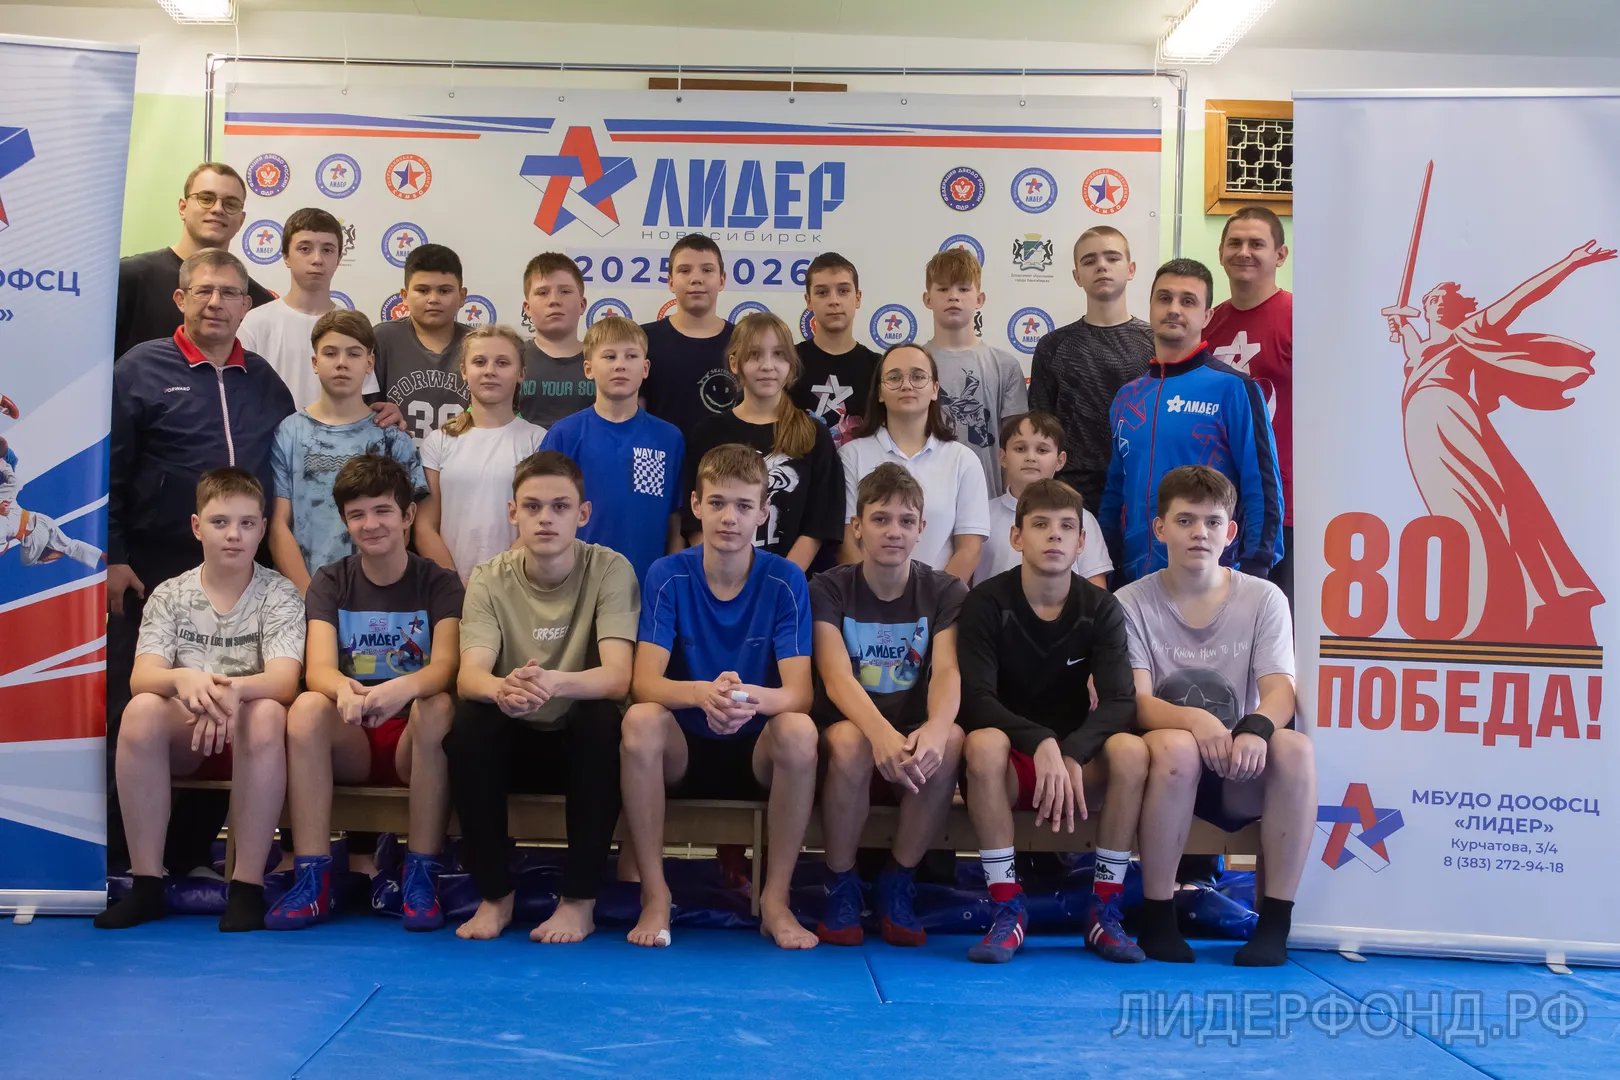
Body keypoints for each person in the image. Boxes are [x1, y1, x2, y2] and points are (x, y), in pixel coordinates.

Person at [108, 248, 297, 878]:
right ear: (180, 299)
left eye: (230, 293)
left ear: (247, 305)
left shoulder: (264, 379)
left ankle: (191, 857)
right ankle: (128, 862)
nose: (216, 303)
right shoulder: (139, 368)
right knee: (140, 708)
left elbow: (290, 466)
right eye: (204, 291)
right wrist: (115, 555)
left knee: (229, 709)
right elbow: (108, 468)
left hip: (244, 573)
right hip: (154, 567)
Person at [620, 444, 819, 950]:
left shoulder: (786, 579)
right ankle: (655, 895)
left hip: (757, 751)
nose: (730, 517)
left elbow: (799, 693)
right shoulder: (667, 574)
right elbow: (644, 683)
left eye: (743, 505)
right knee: (640, 720)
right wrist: (703, 695)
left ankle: (775, 901)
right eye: (717, 503)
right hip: (683, 748)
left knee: (800, 731)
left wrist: (741, 699)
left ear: (763, 512)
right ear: (696, 504)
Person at [1118, 466, 1315, 966]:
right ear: (1160, 528)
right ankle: (1158, 915)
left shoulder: (1264, 597)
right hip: (1168, 768)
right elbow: (1138, 702)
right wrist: (1197, 721)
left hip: (1236, 766)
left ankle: (1274, 924)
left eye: (1212, 522)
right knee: (1177, 746)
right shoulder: (1129, 602)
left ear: (1230, 533)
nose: (1199, 533)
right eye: (1185, 520)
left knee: (1294, 749)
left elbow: (1281, 691)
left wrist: (1255, 728)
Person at [94, 468, 304, 932]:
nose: (234, 535)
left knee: (268, 712)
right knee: (141, 710)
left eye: (247, 523)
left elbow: (284, 681)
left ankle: (246, 888)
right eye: (220, 522)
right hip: (188, 732)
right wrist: (184, 679)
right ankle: (147, 885)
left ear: (262, 529)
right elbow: (142, 677)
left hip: (251, 732)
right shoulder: (170, 594)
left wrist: (225, 693)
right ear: (196, 526)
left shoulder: (280, 593)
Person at [447, 450, 640, 945]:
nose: (545, 518)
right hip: (517, 742)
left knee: (602, 720)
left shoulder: (611, 569)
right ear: (513, 513)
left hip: (580, 747)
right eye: (532, 507)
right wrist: (502, 689)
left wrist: (553, 682)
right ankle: (495, 895)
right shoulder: (488, 577)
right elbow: (470, 676)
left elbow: (618, 677)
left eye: (560, 506)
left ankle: (579, 902)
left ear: (583, 513)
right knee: (470, 722)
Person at [268, 454, 463, 931]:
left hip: (411, 742)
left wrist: (400, 690)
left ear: (408, 515)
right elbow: (318, 669)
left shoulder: (440, 582)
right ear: (344, 521)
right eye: (357, 514)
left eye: (382, 511)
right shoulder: (330, 581)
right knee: (308, 706)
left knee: (438, 706)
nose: (370, 524)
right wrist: (344, 690)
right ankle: (312, 879)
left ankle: (421, 875)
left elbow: (446, 667)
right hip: (352, 734)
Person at [956, 479, 1148, 964]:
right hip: (1012, 762)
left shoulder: (1101, 607)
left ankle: (1104, 908)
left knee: (1130, 750)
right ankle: (1007, 906)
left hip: (1075, 765)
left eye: (1066, 527)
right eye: (1040, 524)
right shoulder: (985, 603)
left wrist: (1071, 752)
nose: (1054, 535)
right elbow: (974, 700)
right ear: (1016, 536)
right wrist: (1040, 742)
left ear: (1082, 542)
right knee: (982, 743)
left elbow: (1121, 702)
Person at [812, 464, 966, 947]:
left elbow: (947, 671)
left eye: (905, 520)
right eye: (880, 519)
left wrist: (936, 727)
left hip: (910, 733)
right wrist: (879, 732)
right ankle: (840, 882)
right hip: (852, 730)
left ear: (922, 529)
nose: (893, 531)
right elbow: (835, 675)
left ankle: (898, 881)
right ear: (857, 527)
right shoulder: (828, 588)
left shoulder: (946, 590)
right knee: (850, 741)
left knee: (951, 738)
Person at [1098, 258, 1283, 587]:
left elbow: (1263, 487)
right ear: (1151, 306)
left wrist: (1255, 568)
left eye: (1188, 301)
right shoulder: (1127, 398)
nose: (1174, 309)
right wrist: (1104, 567)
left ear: (1207, 316)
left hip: (1214, 578)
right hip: (1136, 581)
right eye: (1164, 298)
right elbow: (1114, 494)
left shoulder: (1234, 390)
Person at [268, 310, 425, 596]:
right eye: (330, 353)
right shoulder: (289, 432)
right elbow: (279, 524)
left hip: (376, 596)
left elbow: (403, 528)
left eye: (354, 353)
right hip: (303, 592)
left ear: (370, 363)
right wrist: (311, 595)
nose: (342, 363)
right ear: (315, 363)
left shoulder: (392, 437)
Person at [679, 311, 845, 572]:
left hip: (789, 583)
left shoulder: (814, 435)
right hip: (720, 580)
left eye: (779, 354)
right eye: (755, 355)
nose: (768, 366)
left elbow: (819, 525)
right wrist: (724, 575)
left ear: (791, 364)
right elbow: (693, 521)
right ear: (735, 363)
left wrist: (776, 582)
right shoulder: (708, 434)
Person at [540, 316, 684, 583]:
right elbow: (543, 514)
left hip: (646, 585)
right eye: (609, 356)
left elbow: (674, 521)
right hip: (576, 585)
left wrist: (669, 581)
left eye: (631, 356)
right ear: (588, 368)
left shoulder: (668, 438)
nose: (620, 365)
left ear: (645, 368)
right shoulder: (564, 435)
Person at [1028, 226, 1153, 515]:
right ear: (1077, 276)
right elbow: (1041, 428)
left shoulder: (1156, 343)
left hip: (1141, 486)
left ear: (1131, 269)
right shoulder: (1053, 346)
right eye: (1089, 260)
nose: (1101, 266)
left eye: (1112, 258)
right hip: (1070, 493)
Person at [838, 344, 988, 580]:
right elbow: (848, 543)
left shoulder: (963, 459)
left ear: (935, 389)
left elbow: (969, 549)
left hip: (940, 599)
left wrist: (936, 597)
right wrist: (872, 595)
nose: (906, 385)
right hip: (865, 598)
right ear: (880, 392)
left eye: (918, 377)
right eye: (894, 377)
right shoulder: (851, 455)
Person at [1207, 207, 1294, 603]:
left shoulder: (1300, 318)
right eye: (1235, 243)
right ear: (1221, 252)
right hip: (1214, 505)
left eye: (1256, 243)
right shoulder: (1206, 323)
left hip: (1280, 506)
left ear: (1281, 255)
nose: (1244, 252)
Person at [415, 325, 547, 582]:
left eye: (502, 363)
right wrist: (453, 585)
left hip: (515, 584)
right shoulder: (439, 441)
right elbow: (424, 527)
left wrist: (491, 583)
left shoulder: (537, 441)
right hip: (450, 588)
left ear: (521, 373)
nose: (490, 371)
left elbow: (539, 522)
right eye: (479, 362)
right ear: (464, 371)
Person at [114, 163, 275, 360]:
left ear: (241, 220)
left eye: (231, 204)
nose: (218, 209)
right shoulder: (128, 279)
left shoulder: (259, 303)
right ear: (183, 208)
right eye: (206, 199)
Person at [239, 207, 372, 409]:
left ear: (338, 259)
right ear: (286, 256)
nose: (317, 259)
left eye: (327, 250)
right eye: (305, 249)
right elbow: (240, 394)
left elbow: (367, 401)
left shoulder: (353, 327)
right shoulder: (256, 323)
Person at [920, 248, 1028, 494]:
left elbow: (1016, 446)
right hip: (925, 500)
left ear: (980, 299)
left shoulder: (1004, 365)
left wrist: (1010, 507)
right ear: (927, 299)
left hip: (991, 499)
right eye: (943, 289)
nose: (953, 297)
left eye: (963, 289)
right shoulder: (913, 365)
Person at [973, 411, 1110, 587]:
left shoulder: (1081, 518)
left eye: (1042, 450)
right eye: (1020, 449)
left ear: (1060, 460)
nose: (1030, 457)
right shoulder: (981, 515)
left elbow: (1096, 589)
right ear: (1003, 457)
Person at [373, 243, 472, 445]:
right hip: (396, 461)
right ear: (404, 296)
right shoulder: (383, 339)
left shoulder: (478, 344)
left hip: (463, 460)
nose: (433, 299)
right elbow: (362, 408)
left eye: (444, 291)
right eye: (422, 290)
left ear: (462, 296)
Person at [640, 235, 737, 434]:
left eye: (707, 270)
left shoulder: (742, 340)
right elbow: (634, 416)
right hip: (661, 452)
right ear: (670, 282)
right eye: (684, 270)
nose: (696, 279)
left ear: (722, 280)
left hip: (729, 453)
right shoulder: (643, 340)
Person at [791, 252, 879, 447]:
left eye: (843, 291)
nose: (834, 301)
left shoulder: (879, 367)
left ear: (858, 298)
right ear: (808, 300)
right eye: (822, 292)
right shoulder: (787, 362)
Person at [0, 432, 104, 569]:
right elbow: (15, 483)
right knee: (69, 545)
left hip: (32, 537)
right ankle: (104, 556)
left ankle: (51, 553)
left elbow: (3, 549)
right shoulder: (5, 495)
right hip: (40, 519)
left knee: (28, 561)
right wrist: (5, 467)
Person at [517, 252, 595, 428]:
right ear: (527, 308)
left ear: (582, 304)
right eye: (542, 293)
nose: (554, 300)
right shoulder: (510, 359)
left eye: (565, 291)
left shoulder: (605, 360)